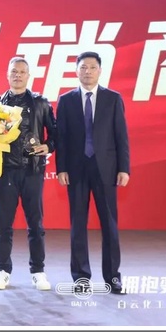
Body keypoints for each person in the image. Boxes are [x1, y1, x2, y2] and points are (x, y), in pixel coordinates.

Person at [55, 51, 130, 295]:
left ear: (100, 71)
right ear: (76, 71)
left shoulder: (113, 98)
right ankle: (81, 277)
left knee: (109, 224)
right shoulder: (66, 100)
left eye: (92, 67)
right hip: (76, 169)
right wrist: (61, 168)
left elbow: (121, 136)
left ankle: (113, 277)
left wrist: (124, 168)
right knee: (78, 224)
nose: (87, 71)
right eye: (83, 67)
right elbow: (61, 138)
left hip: (106, 169)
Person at [0, 57, 57, 291]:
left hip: (33, 170)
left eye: (22, 72)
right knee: (4, 224)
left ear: (28, 76)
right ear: (7, 75)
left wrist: (48, 146)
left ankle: (38, 271)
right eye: (14, 72)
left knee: (35, 224)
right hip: (6, 171)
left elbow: (56, 133)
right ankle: (2, 271)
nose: (17, 75)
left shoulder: (41, 103)